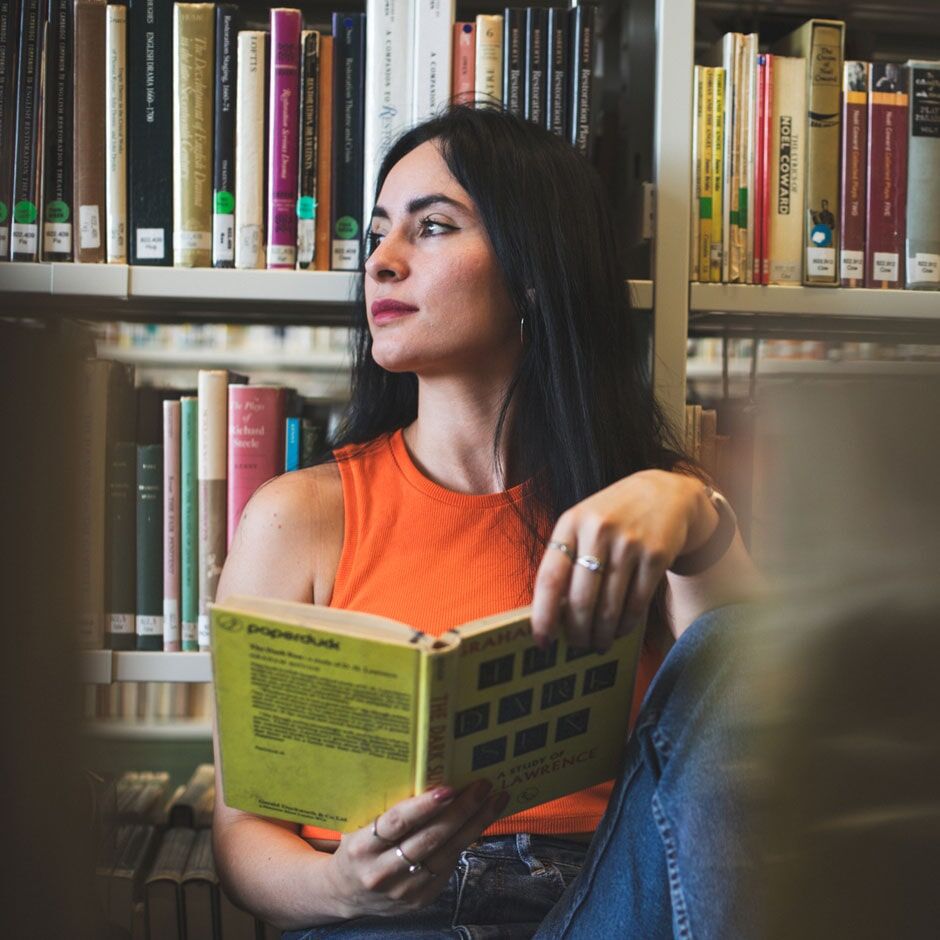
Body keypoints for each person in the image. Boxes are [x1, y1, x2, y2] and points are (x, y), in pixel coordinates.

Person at [212, 104, 760, 937]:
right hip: (388, 915)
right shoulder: (298, 516)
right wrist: (343, 885)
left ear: (534, 270)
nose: (383, 265)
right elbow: (240, 829)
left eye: (431, 228)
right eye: (378, 236)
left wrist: (695, 514)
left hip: (605, 901)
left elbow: (751, 732)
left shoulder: (646, 509)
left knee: (728, 656)